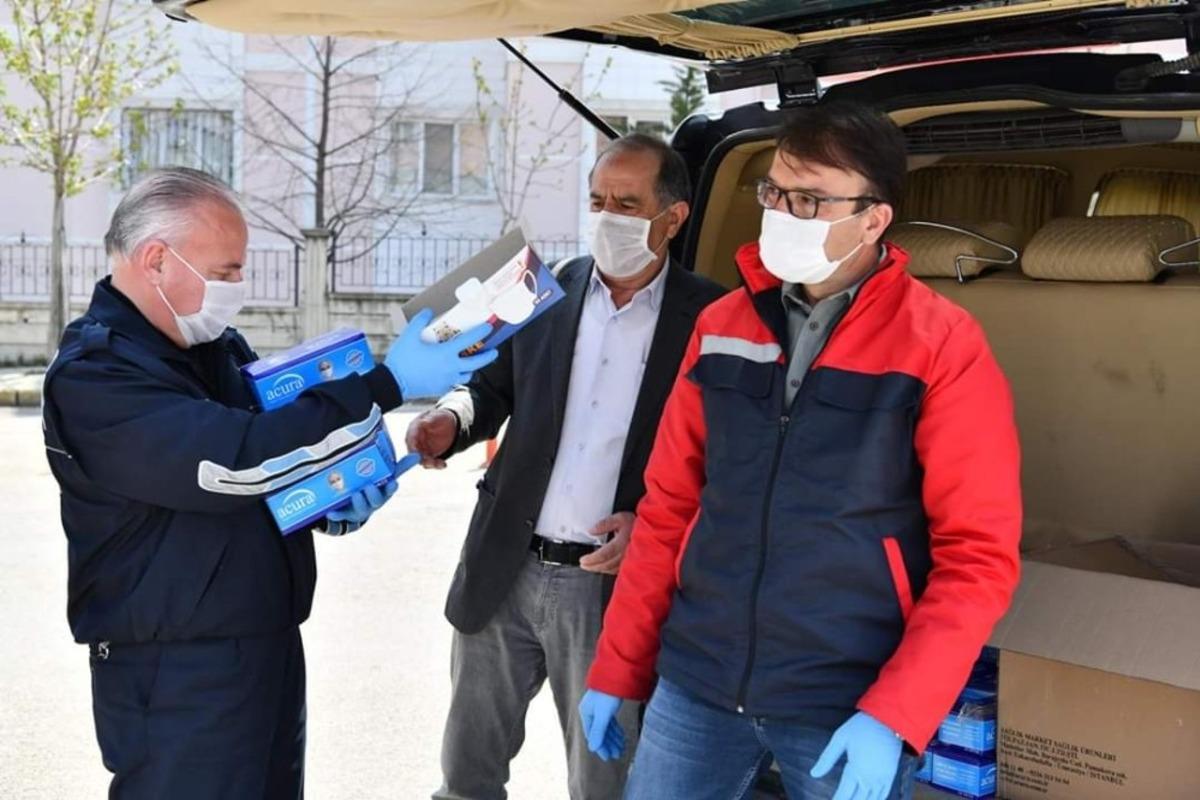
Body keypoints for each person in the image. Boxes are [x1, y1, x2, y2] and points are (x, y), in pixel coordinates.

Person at [579, 103, 1022, 800]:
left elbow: (978, 554)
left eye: (810, 199)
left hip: (846, 696)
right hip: (698, 680)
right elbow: (667, 512)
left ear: (873, 219)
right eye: (776, 192)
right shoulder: (721, 326)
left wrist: (897, 713)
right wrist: (617, 667)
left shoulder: (939, 345)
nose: (783, 213)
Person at [41, 167, 495, 800]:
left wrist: (330, 502)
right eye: (225, 271)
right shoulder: (100, 374)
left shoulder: (212, 348)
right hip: (176, 668)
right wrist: (387, 385)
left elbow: (271, 469)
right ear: (155, 260)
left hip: (261, 640)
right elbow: (235, 462)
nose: (238, 288)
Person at [408, 134, 726, 800]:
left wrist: (658, 525)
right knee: (465, 776)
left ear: (674, 217)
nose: (607, 216)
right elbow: (489, 387)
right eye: (598, 200)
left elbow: (727, 457)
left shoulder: (712, 319)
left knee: (605, 781)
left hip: (610, 590)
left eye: (628, 203)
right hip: (506, 566)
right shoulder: (542, 291)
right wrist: (451, 421)